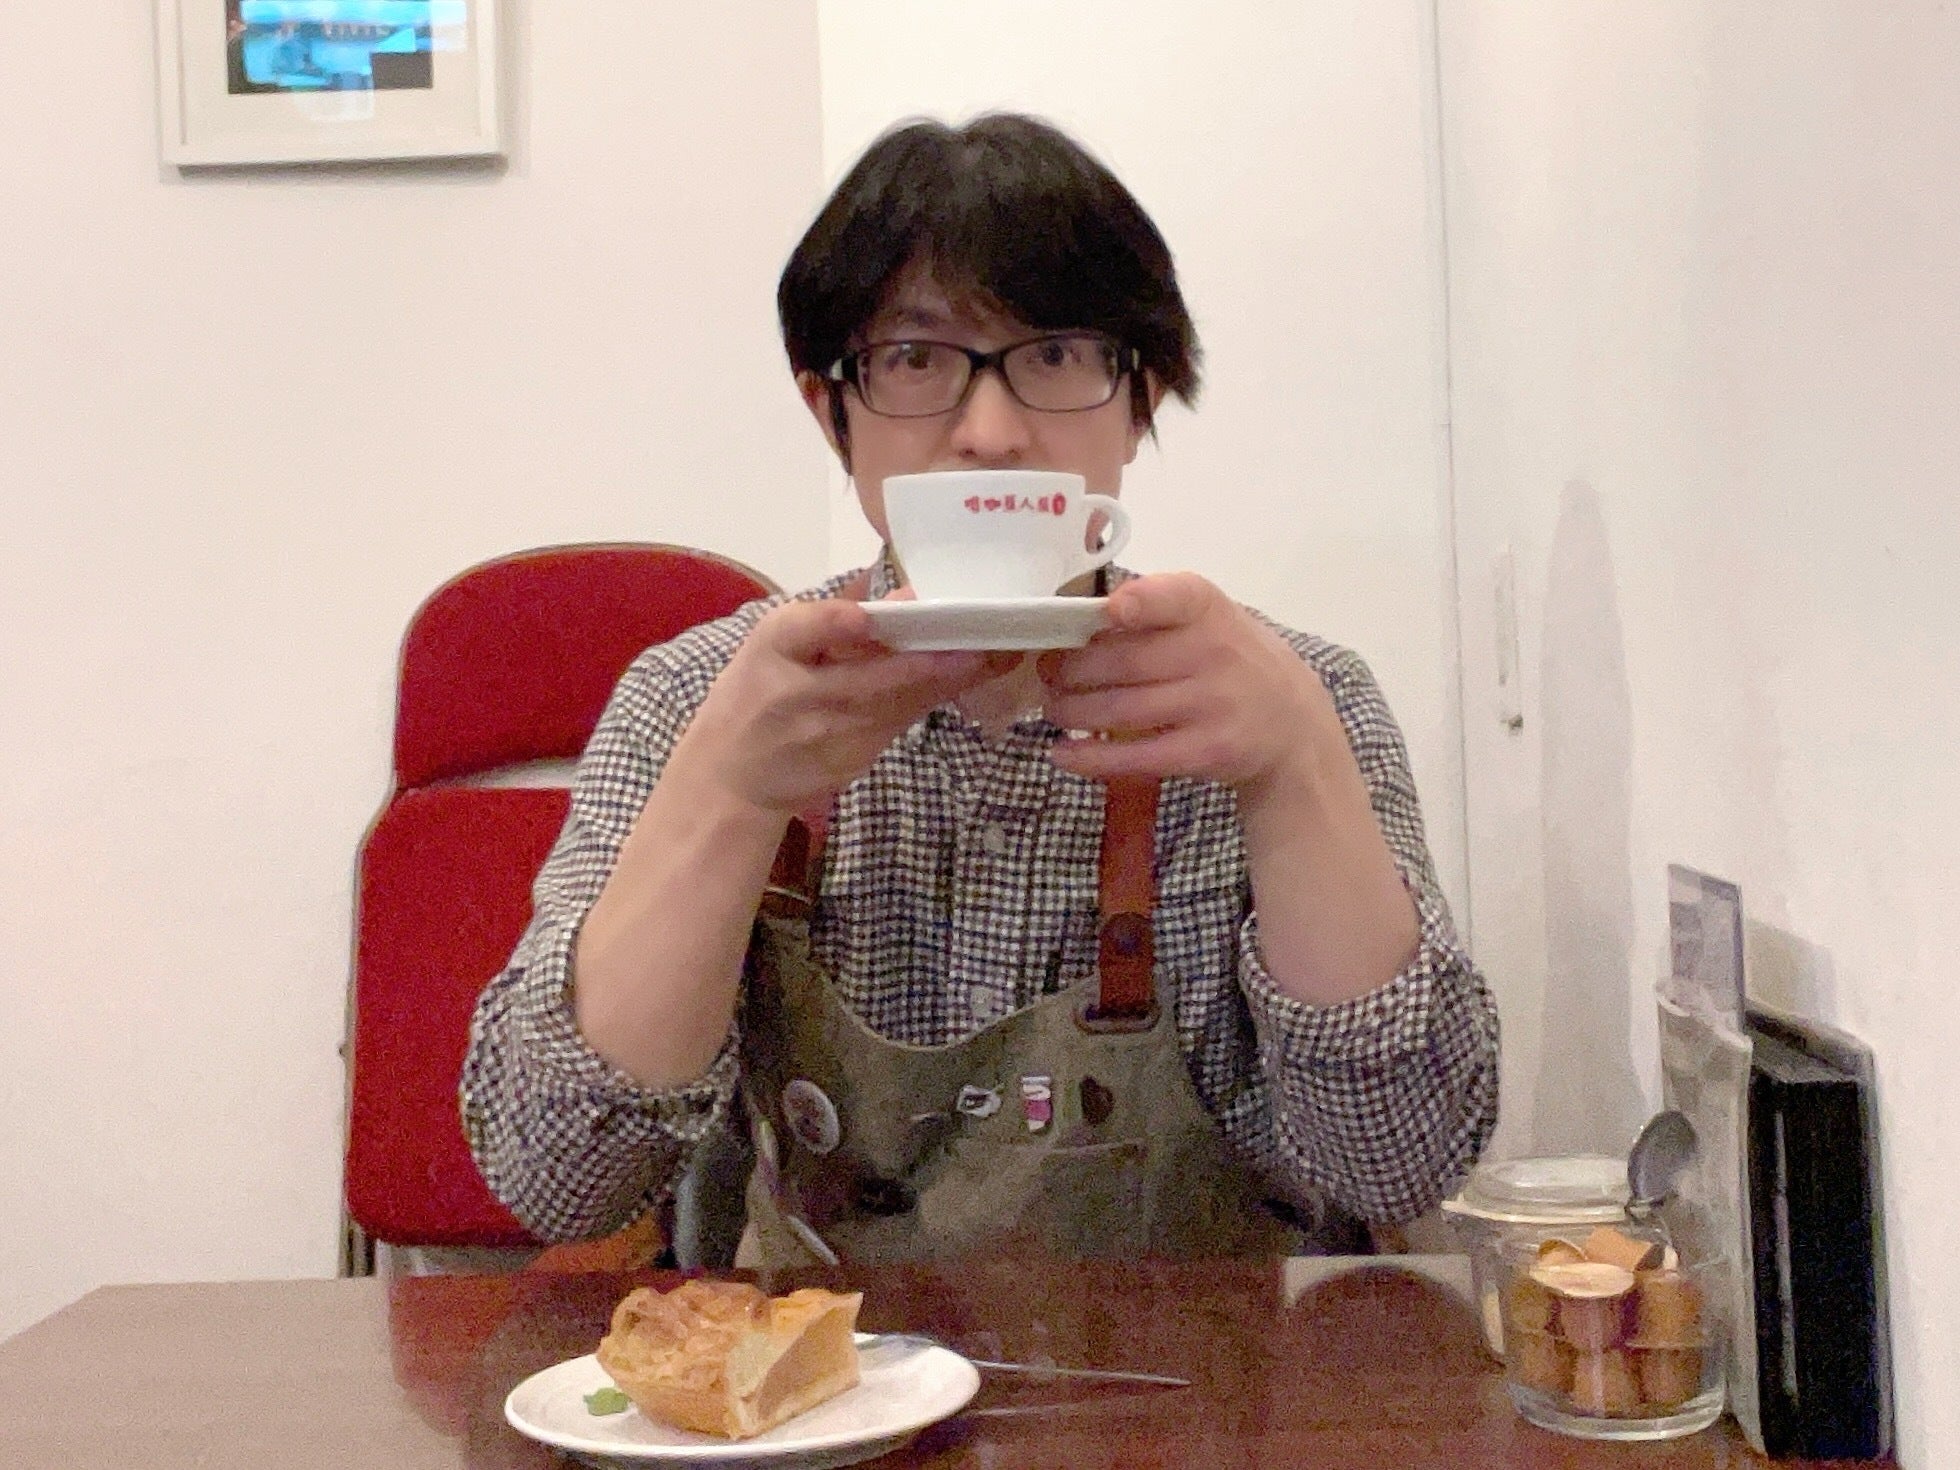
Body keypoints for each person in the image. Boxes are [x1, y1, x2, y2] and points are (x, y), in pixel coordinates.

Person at [462, 112, 1499, 1267]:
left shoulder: (1285, 700)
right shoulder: (705, 698)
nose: (992, 432)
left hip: (1218, 1370)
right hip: (822, 1368)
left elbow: (1399, 1169)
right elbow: (556, 1182)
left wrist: (1294, 768)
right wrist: (728, 794)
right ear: (830, 409)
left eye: (1053, 356)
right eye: (916, 360)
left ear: (1140, 398)